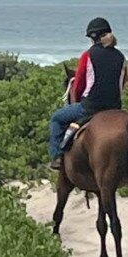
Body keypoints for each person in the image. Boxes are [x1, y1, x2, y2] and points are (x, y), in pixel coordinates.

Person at [49, 17, 127, 169]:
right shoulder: (121, 57)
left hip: (90, 107)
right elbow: (122, 83)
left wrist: (79, 100)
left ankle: (57, 156)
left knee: (57, 119)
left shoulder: (88, 55)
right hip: (115, 108)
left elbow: (78, 84)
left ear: (93, 37)